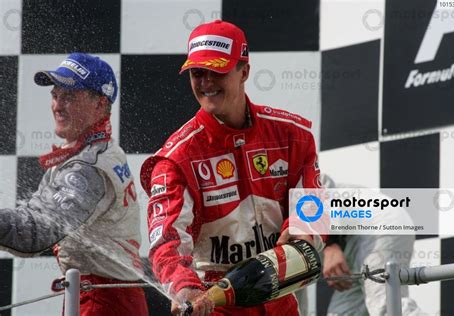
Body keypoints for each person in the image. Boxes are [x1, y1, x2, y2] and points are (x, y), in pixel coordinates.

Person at [140, 20, 325, 316]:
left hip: (280, 297)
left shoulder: (292, 135)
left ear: (245, 72)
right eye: (198, 73)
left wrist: (302, 228)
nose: (206, 82)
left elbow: (314, 201)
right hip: (214, 301)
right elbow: (166, 242)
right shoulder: (176, 158)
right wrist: (184, 286)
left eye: (217, 71)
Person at [0, 53, 148, 315]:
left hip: (106, 303)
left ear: (100, 104)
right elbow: (34, 216)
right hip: (96, 295)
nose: (57, 105)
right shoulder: (88, 153)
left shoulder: (88, 167)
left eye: (69, 96)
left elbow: (36, 233)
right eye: (55, 95)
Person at [320, 174, 423, 316]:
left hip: (376, 224)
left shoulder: (285, 170)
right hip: (351, 243)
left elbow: (322, 186)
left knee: (386, 306)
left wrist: (330, 244)